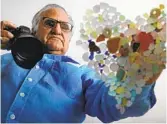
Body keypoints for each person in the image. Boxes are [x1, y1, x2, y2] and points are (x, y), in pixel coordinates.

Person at [0, 4, 161, 123]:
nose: (57, 30)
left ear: (69, 38)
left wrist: (141, 74)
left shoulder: (83, 75)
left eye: (65, 27)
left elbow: (115, 103)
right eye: (50, 23)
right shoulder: (5, 60)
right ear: (33, 31)